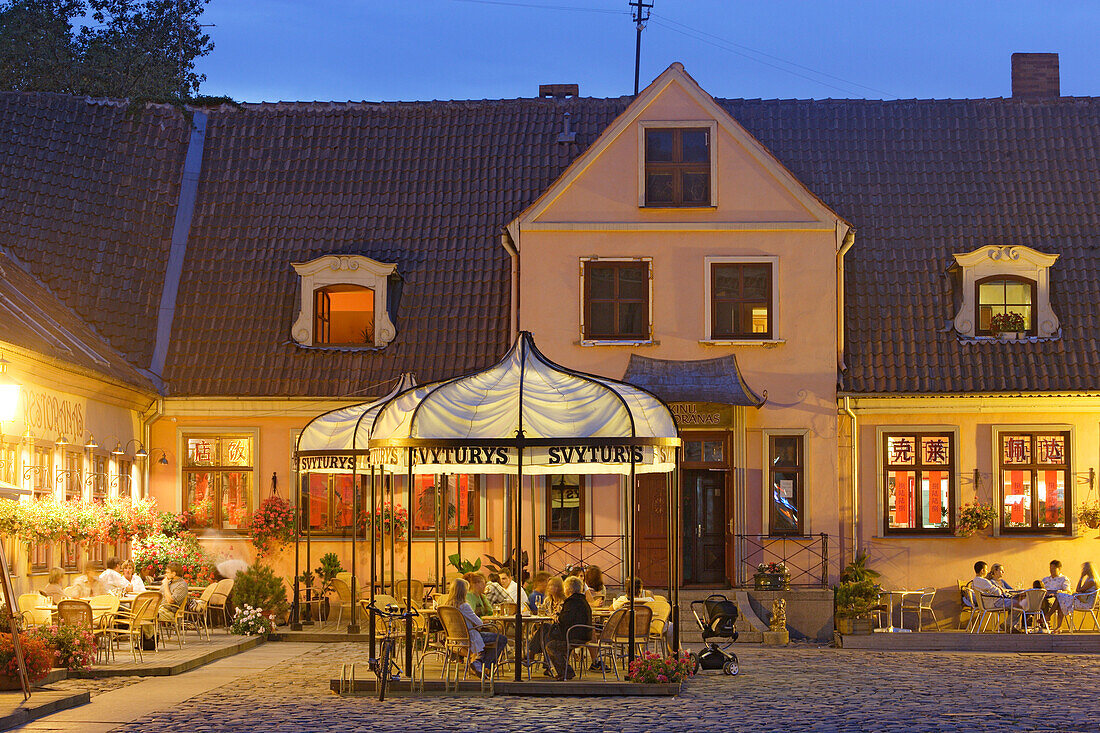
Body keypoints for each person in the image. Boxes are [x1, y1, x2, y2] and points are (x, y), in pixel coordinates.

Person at [439, 578, 506, 677]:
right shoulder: (464, 606)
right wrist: (484, 621)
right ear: (463, 591)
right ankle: (482, 665)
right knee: (501, 639)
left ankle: (479, 664)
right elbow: (479, 623)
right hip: (469, 637)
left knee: (490, 641)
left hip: (453, 639)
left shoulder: (446, 606)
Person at [545, 576, 593, 680]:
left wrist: (557, 617)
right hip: (585, 634)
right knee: (555, 642)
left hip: (575, 636)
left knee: (551, 645)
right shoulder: (582, 600)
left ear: (569, 589)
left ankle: (566, 672)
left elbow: (565, 620)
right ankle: (563, 671)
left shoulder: (571, 602)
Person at [1041, 559, 1073, 630]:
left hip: (1055, 598)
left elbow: (1067, 591)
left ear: (1059, 569)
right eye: (1050, 568)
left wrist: (1057, 592)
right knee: (1031, 600)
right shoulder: (1046, 579)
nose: (1051, 570)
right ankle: (1028, 622)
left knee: (1049, 601)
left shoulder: (1063, 579)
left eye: (1053, 569)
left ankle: (1046, 621)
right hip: (1043, 596)